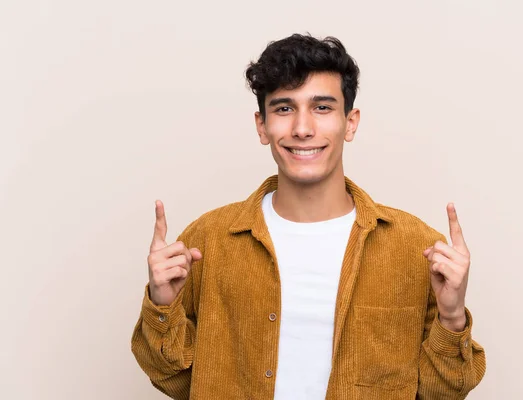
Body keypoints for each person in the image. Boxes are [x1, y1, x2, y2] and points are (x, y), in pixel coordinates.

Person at [131, 33, 486, 400]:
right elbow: (176, 380)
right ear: (261, 125)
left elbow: (440, 392)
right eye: (284, 108)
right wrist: (162, 306)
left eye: (322, 108)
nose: (302, 129)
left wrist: (452, 317)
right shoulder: (207, 240)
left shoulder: (416, 248)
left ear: (350, 123)